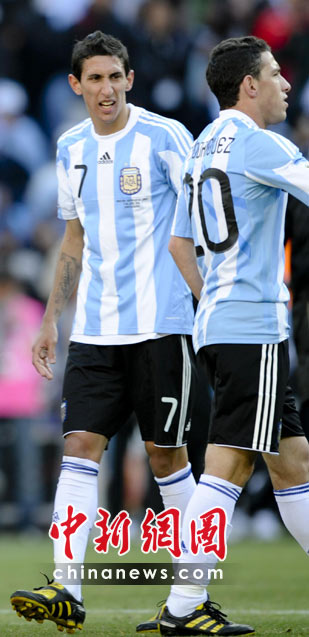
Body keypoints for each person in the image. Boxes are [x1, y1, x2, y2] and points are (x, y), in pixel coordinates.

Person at [7, 31, 199, 634]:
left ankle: (193, 596)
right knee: (79, 449)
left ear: (130, 79)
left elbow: (203, 219)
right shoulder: (69, 147)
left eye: (116, 76)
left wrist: (209, 300)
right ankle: (67, 588)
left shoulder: (166, 137)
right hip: (94, 329)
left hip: (163, 325)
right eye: (95, 78)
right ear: (76, 85)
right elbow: (73, 240)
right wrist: (50, 320)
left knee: (167, 457)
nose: (107, 88)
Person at [161, 35, 309, 636]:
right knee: (228, 465)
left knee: (293, 462)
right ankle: (182, 605)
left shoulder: (201, 147)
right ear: (249, 85)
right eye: (275, 73)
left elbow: (179, 243)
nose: (286, 84)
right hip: (252, 324)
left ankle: (182, 603)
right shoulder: (261, 143)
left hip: (219, 323)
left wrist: (214, 301)